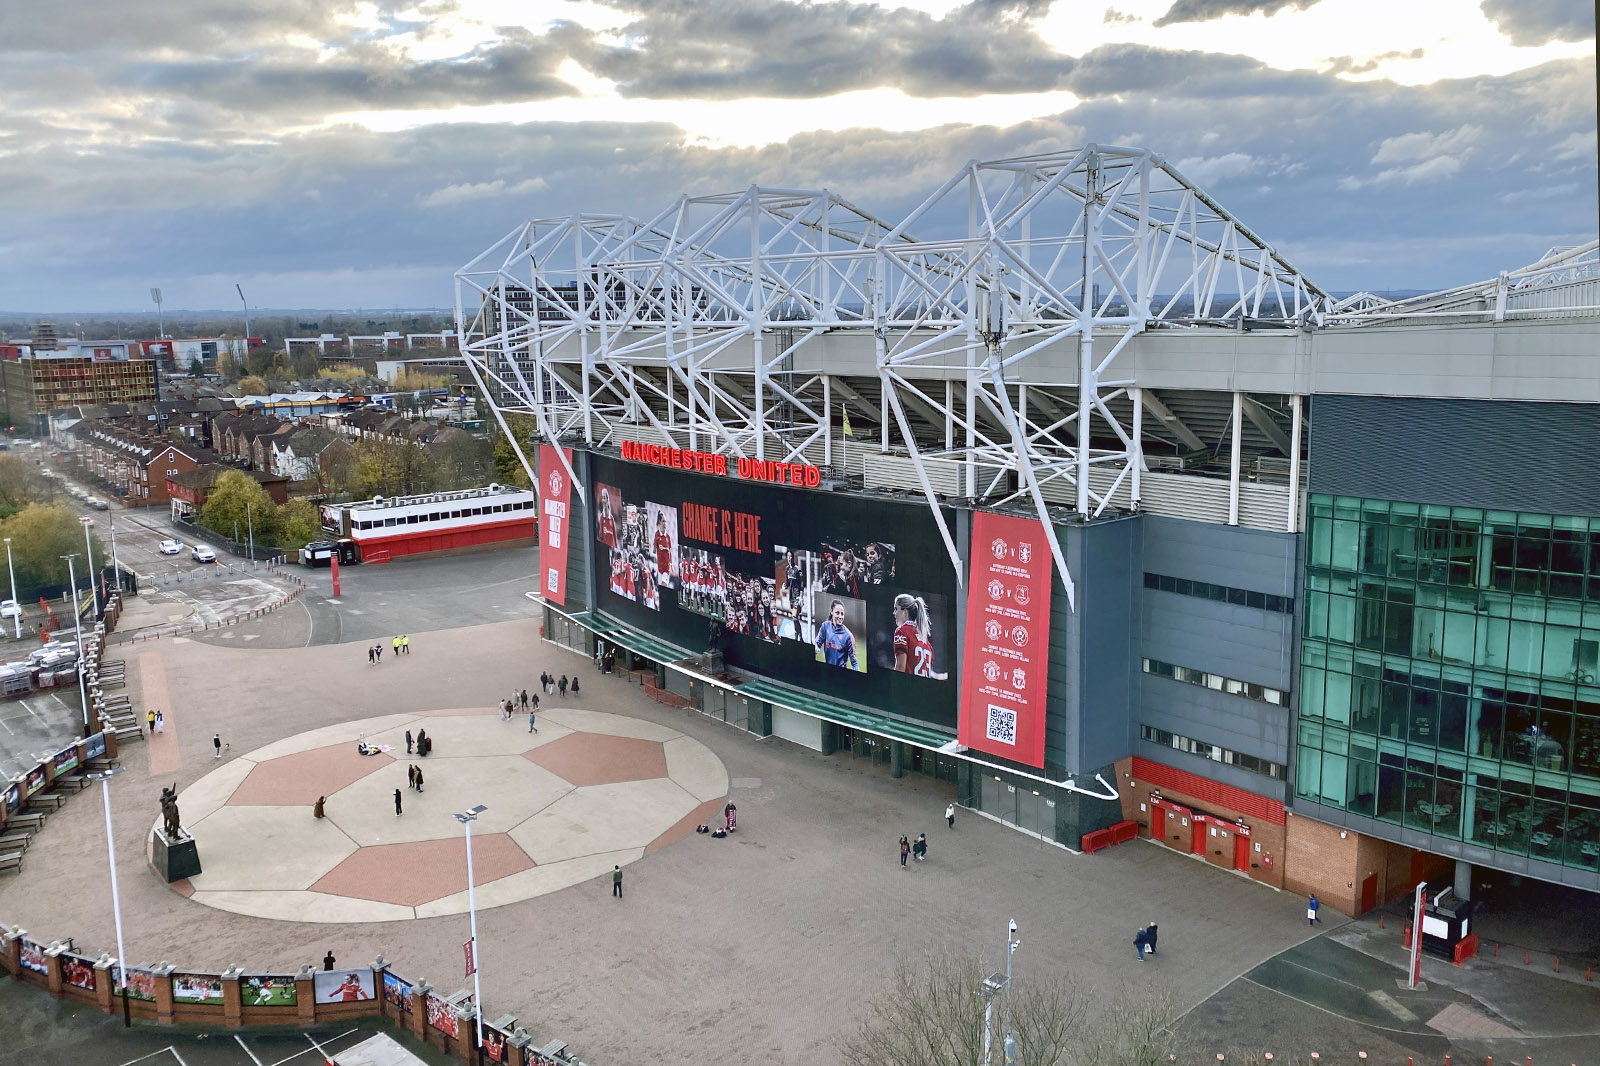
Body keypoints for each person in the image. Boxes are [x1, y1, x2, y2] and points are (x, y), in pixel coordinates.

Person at [892, 593, 945, 678]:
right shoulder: (928, 644)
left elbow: (900, 667)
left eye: (896, 609)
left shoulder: (902, 632)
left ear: (905, 612)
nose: (894, 613)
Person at [815, 600, 859, 669]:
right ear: (832, 612)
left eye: (842, 614)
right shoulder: (825, 626)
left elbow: (855, 663)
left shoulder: (848, 636)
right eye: (837, 613)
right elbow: (817, 644)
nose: (840, 616)